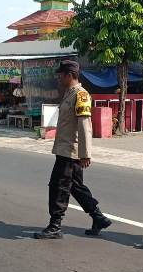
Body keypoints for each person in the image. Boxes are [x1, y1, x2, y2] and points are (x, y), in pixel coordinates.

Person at [34, 60, 111, 239]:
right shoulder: (69, 93)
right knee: (75, 186)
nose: (59, 78)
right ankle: (98, 217)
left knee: (58, 187)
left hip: (70, 151)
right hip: (65, 149)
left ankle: (55, 226)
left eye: (61, 74)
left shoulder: (80, 95)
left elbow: (85, 125)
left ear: (69, 75)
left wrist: (85, 154)